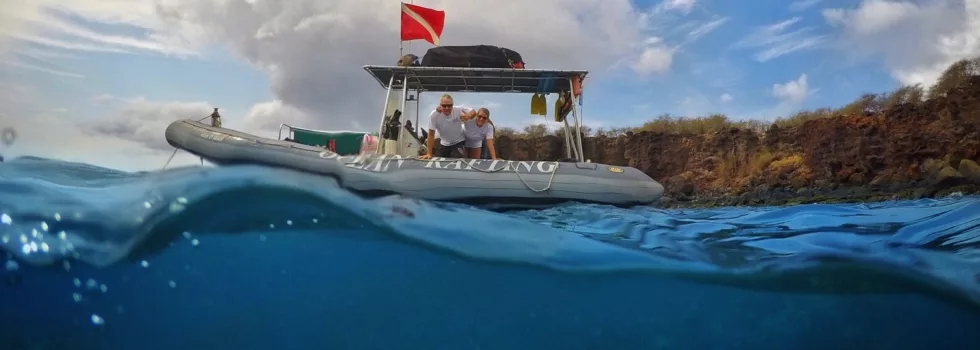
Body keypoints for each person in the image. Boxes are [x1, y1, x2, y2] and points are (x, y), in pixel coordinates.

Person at [418, 94, 476, 160]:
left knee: (455, 160)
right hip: (444, 144)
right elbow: (431, 134)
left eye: (449, 105)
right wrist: (429, 153)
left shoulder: (458, 110)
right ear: (440, 105)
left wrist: (468, 116)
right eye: (444, 106)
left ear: (453, 105)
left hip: (459, 142)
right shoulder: (434, 115)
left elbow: (473, 112)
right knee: (442, 163)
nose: (447, 108)